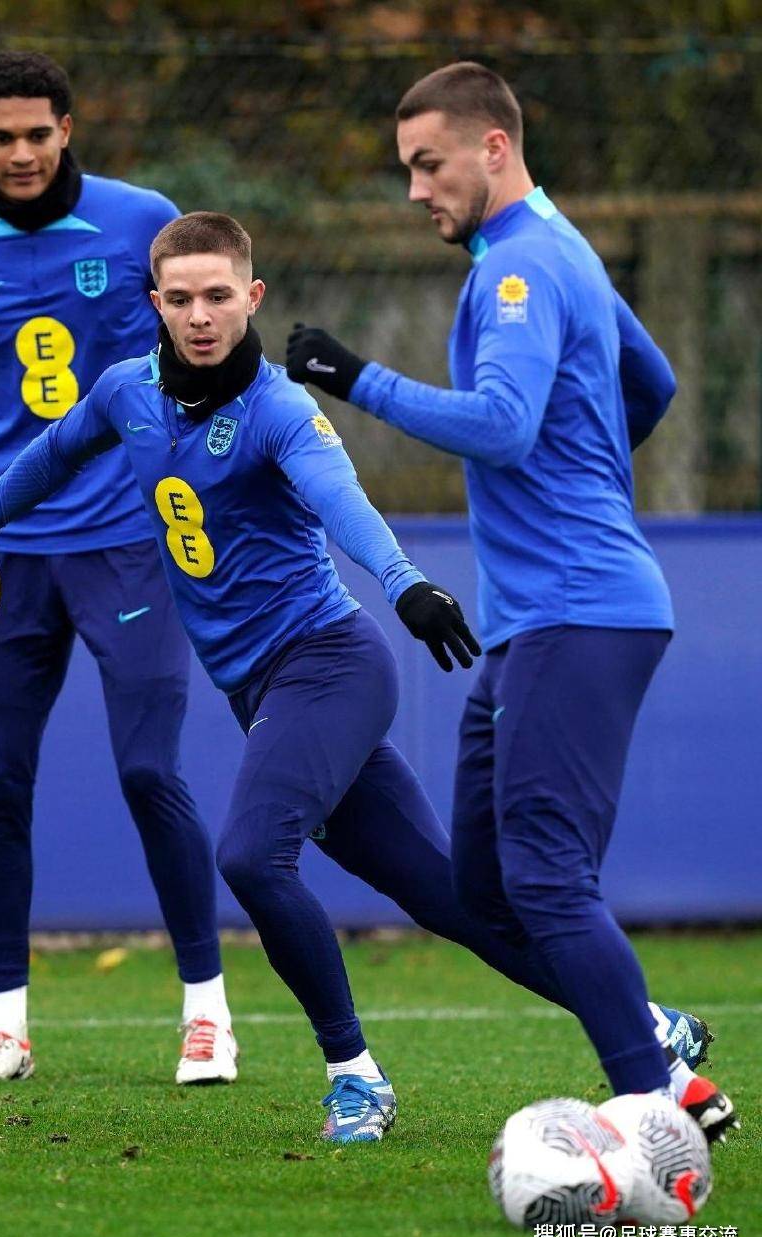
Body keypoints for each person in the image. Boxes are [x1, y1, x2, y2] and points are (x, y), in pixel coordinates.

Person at [0, 211, 712, 1143]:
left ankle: (355, 1077)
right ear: (154, 304)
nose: (200, 315)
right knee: (452, 900)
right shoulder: (124, 392)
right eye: (180, 298)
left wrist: (406, 584)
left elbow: (344, 502)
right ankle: (651, 1029)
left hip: (331, 666)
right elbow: (54, 452)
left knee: (250, 855)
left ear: (252, 297)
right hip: (262, 691)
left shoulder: (279, 410)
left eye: (218, 295)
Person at [285, 62, 737, 1141]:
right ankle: (664, 1070)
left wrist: (355, 378)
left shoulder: (522, 267)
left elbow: (502, 424)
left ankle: (654, 1109)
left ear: (493, 147)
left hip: (578, 610)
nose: (414, 190)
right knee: (486, 888)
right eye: (408, 169)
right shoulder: (559, 243)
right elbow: (653, 382)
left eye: (428, 164)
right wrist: (588, 470)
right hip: (547, 617)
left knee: (548, 878)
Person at [0, 52, 235, 1087]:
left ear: (67, 129)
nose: (20, 153)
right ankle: (3, 1029)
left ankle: (208, 1014)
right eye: (1, 136)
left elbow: (200, 351)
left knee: (150, 771)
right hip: (4, 558)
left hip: (129, 545)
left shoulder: (139, 220)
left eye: (37, 133)